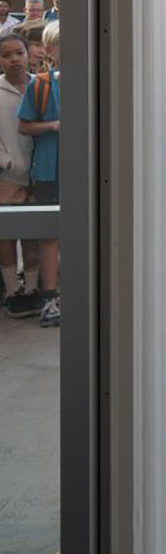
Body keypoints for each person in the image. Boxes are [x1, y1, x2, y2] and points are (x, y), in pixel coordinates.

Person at [16, 21, 63, 327]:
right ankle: (50, 297)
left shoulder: (97, 78)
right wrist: (53, 125)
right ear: (49, 51)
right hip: (49, 169)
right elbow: (24, 125)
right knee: (50, 235)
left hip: (84, 168)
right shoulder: (42, 84)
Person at [0, 32, 41, 318]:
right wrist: (6, 162)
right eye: (6, 55)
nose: (14, 59)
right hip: (7, 177)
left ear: (29, 54)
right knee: (6, 235)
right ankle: (12, 291)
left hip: (38, 176)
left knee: (33, 235)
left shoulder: (40, 87)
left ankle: (33, 289)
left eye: (19, 53)